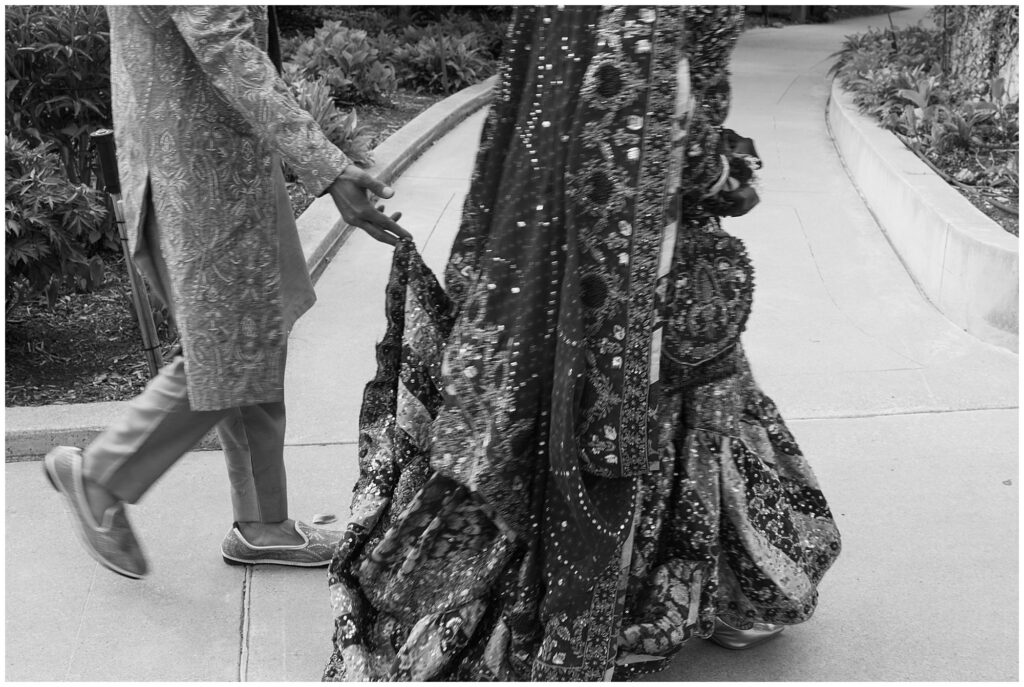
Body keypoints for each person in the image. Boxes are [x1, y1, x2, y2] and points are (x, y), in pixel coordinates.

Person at [323, 6, 840, 681]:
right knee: (618, 431)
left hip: (555, 260)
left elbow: (535, 111)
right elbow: (664, 117)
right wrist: (724, 175)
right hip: (631, 283)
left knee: (642, 409)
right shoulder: (651, 19)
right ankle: (644, 599)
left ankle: (701, 580)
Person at [43, 6, 409, 580]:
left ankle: (263, 523)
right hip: (202, 171)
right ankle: (100, 476)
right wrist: (328, 166)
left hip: (208, 159)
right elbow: (222, 42)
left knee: (254, 334)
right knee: (225, 348)